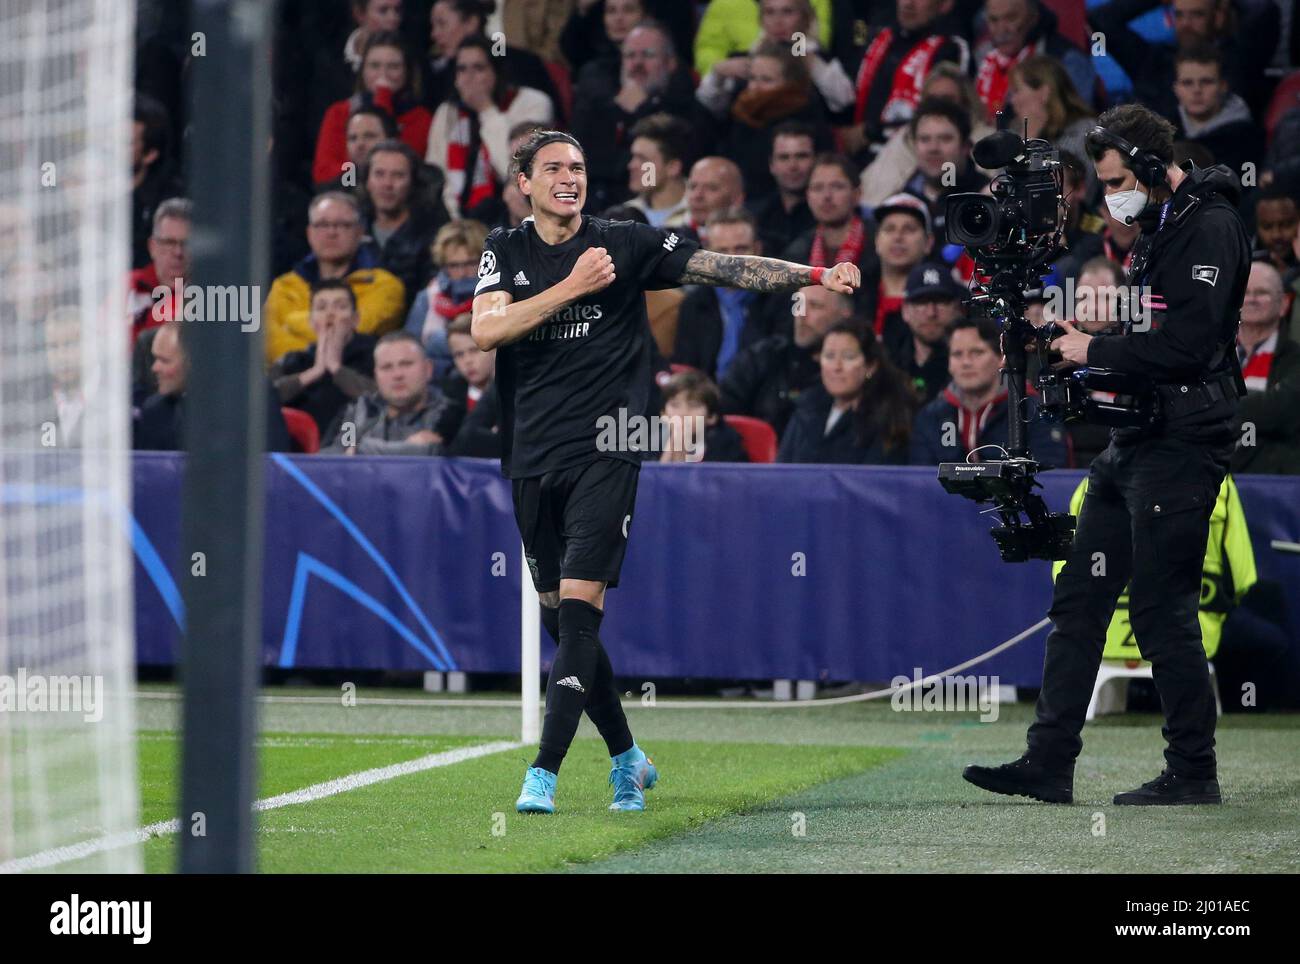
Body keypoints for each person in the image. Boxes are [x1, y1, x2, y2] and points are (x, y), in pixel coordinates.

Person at [470, 128, 860, 814]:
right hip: (531, 453)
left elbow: (725, 267)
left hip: (609, 446)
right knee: (563, 623)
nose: (570, 176)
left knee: (582, 611)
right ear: (523, 182)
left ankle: (545, 773)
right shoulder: (504, 249)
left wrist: (814, 275)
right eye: (554, 167)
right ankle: (628, 759)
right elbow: (487, 331)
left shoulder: (624, 240)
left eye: (579, 166)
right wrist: (570, 287)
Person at [964, 103, 1252, 806]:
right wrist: (1085, 335)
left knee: (1160, 610)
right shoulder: (1162, 227)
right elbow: (1153, 333)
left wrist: (1095, 349)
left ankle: (1193, 772)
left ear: (1153, 167)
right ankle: (1048, 762)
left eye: (1119, 177)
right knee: (1080, 600)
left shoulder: (1209, 226)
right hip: (1136, 442)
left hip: (1183, 443)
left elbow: (1187, 347)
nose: (1112, 194)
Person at [264, 192, 406, 365]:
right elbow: (268, 340)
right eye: (322, 224)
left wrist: (291, 321)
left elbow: (355, 330)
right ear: (309, 233)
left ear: (359, 232)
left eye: (342, 225)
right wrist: (312, 360)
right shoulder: (284, 286)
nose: (331, 232)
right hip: (293, 381)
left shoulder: (385, 285)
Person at [425, 35, 555, 221]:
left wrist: (486, 109)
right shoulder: (448, 112)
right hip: (457, 218)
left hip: (512, 213)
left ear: (497, 71)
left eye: (479, 68)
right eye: (462, 69)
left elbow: (516, 170)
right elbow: (436, 174)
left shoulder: (532, 103)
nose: (469, 78)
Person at [909, 317, 1066, 465]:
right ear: (949, 364)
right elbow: (922, 483)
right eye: (957, 354)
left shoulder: (1033, 411)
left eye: (977, 352)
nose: (966, 362)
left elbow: (1052, 478)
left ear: (1001, 358)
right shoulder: (931, 417)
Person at [134, 320, 292, 452]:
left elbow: (273, 472)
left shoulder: (252, 399)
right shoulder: (155, 412)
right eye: (155, 358)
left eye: (164, 361)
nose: (154, 368)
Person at [719, 284, 853, 435]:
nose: (801, 314)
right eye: (798, 303)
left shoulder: (850, 374)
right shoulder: (763, 357)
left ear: (844, 314)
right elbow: (722, 415)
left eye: (815, 306)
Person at [778, 321, 918, 463]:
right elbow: (782, 473)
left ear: (870, 366)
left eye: (848, 357)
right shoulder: (805, 410)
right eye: (829, 356)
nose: (836, 367)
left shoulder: (889, 418)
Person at [312, 31, 433, 187]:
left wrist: (383, 101)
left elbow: (400, 171)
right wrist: (357, 175)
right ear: (363, 71)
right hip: (347, 198)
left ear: (407, 72)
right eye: (374, 66)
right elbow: (324, 173)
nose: (383, 75)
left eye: (393, 67)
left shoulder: (420, 118)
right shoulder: (339, 113)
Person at [672, 208, 775, 378]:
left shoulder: (776, 300)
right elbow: (685, 370)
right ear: (707, 253)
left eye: (741, 249)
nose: (732, 260)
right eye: (723, 251)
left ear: (757, 249)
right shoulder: (694, 305)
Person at [272, 279, 378, 437]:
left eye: (340, 306)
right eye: (321, 307)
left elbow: (385, 399)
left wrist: (336, 369)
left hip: (357, 447)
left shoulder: (376, 355)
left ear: (355, 319)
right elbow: (264, 399)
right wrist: (314, 372)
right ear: (311, 321)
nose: (330, 314)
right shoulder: (293, 361)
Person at [322, 330, 448, 455]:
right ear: (376, 375)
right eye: (386, 367)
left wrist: (360, 450)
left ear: (428, 369)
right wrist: (407, 448)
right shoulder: (359, 411)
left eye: (406, 364)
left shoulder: (447, 413)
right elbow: (337, 454)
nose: (397, 375)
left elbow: (434, 452)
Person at [1230, 261, 1300, 474]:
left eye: (1261, 293)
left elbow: (1285, 411)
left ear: (1283, 305)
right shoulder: (1210, 356)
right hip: (1212, 481)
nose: (1251, 299)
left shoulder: (1296, 358)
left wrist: (1219, 403)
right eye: (1246, 292)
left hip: (1273, 483)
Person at [974, 0, 1096, 122]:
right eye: (994, 20)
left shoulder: (1067, 60)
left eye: (1011, 18)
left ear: (1033, 18)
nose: (1001, 29)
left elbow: (1076, 122)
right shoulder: (983, 54)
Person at [361, 140, 445, 306]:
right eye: (379, 174)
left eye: (398, 175)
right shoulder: (353, 228)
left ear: (412, 183)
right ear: (367, 181)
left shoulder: (433, 235)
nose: (387, 184)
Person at [405, 219, 490, 374]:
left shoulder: (499, 294)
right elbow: (410, 350)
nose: (462, 273)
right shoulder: (427, 299)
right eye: (454, 265)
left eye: (470, 263)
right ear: (443, 266)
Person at [1170, 44, 1264, 182]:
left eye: (1206, 82)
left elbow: (1248, 187)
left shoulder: (1247, 140)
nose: (1197, 90)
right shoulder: (1162, 132)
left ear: (1223, 86)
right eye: (1187, 83)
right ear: (1176, 88)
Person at [887, 260, 965, 402]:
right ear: (905, 311)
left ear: (957, 308)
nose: (931, 313)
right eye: (921, 302)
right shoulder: (889, 365)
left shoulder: (970, 367)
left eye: (941, 302)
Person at [748, 120, 817, 256]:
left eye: (801, 156)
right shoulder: (755, 217)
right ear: (771, 165)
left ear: (815, 160)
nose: (793, 166)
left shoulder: (829, 214)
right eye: (784, 157)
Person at [656, 369, 749, 463]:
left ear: (711, 416)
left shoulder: (727, 443)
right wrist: (672, 446)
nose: (682, 413)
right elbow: (650, 476)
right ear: (663, 413)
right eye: (675, 405)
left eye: (693, 406)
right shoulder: (652, 439)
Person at [623, 113, 692, 228]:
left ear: (673, 167)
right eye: (633, 157)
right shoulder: (623, 216)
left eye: (643, 159)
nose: (631, 165)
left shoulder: (699, 213)